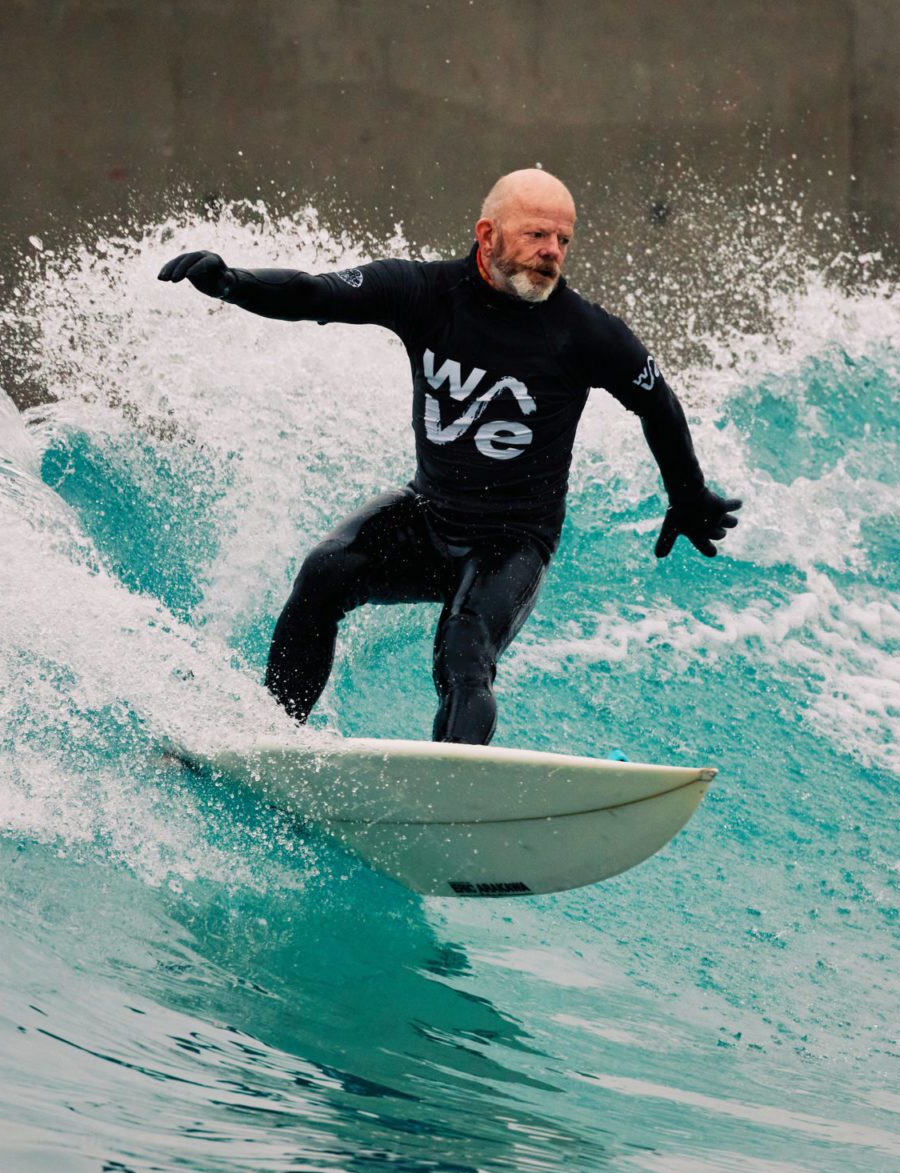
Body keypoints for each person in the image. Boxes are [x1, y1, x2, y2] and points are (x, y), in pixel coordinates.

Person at [157, 168, 740, 745]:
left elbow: (657, 401)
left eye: (563, 240)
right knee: (324, 572)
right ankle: (272, 741)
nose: (552, 252)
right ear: (488, 236)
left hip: (513, 540)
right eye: (537, 234)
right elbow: (315, 293)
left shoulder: (587, 334)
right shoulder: (425, 294)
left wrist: (686, 494)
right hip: (430, 514)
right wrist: (233, 282)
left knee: (463, 648)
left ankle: (453, 790)